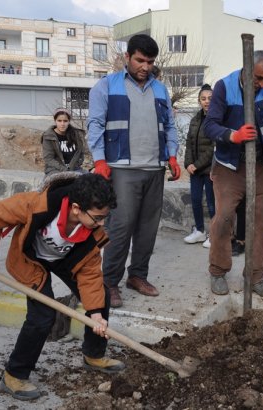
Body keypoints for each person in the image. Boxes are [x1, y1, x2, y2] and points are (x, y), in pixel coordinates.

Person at [0, 172, 124, 401]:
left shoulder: (92, 232)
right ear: (76, 208)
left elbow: (90, 272)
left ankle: (94, 354)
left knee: (100, 296)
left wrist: (94, 314)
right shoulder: (36, 205)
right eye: (97, 217)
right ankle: (14, 374)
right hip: (31, 260)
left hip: (65, 260)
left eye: (105, 217)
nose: (102, 223)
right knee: (43, 315)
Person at [87, 34, 180, 308]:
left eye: (150, 62)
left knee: (148, 228)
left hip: (155, 168)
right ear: (127, 58)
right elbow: (95, 124)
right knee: (120, 227)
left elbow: (170, 127)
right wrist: (100, 160)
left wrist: (172, 156)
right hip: (121, 168)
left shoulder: (161, 89)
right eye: (140, 60)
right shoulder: (106, 86)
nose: (145, 66)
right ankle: (109, 282)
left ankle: (137, 276)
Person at [203, 50, 263, 298]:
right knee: (223, 218)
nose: (262, 84)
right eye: (258, 78)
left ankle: (255, 276)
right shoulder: (225, 86)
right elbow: (209, 125)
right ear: (246, 69)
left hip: (261, 166)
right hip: (229, 166)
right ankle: (218, 270)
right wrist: (233, 135)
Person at [183, 84, 215, 248]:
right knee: (195, 200)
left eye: (210, 98)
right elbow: (189, 143)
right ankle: (200, 231)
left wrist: (196, 164)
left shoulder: (217, 118)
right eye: (203, 99)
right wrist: (188, 163)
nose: (206, 101)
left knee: (211, 202)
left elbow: (213, 147)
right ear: (199, 101)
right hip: (194, 169)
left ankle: (214, 235)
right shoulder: (195, 119)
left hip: (209, 169)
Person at [41, 108, 86, 176]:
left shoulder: (76, 135)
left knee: (91, 180)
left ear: (69, 121)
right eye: (59, 121)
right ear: (55, 121)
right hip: (55, 170)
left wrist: (75, 165)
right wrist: (64, 169)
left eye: (65, 121)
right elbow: (49, 159)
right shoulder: (48, 136)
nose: (62, 124)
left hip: (74, 169)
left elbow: (81, 154)